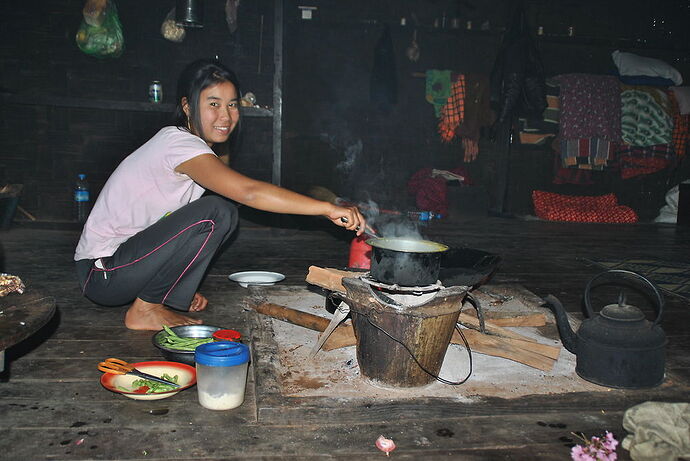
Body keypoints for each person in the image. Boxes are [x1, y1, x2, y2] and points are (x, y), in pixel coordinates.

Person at [74, 59, 365, 331]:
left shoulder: (190, 144)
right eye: (213, 104)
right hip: (103, 273)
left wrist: (172, 283)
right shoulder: (180, 145)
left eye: (232, 104)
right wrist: (326, 209)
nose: (225, 116)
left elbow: (169, 232)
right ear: (187, 106)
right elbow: (249, 193)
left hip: (125, 266)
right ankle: (144, 311)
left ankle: (155, 299)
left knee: (215, 211)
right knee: (216, 212)